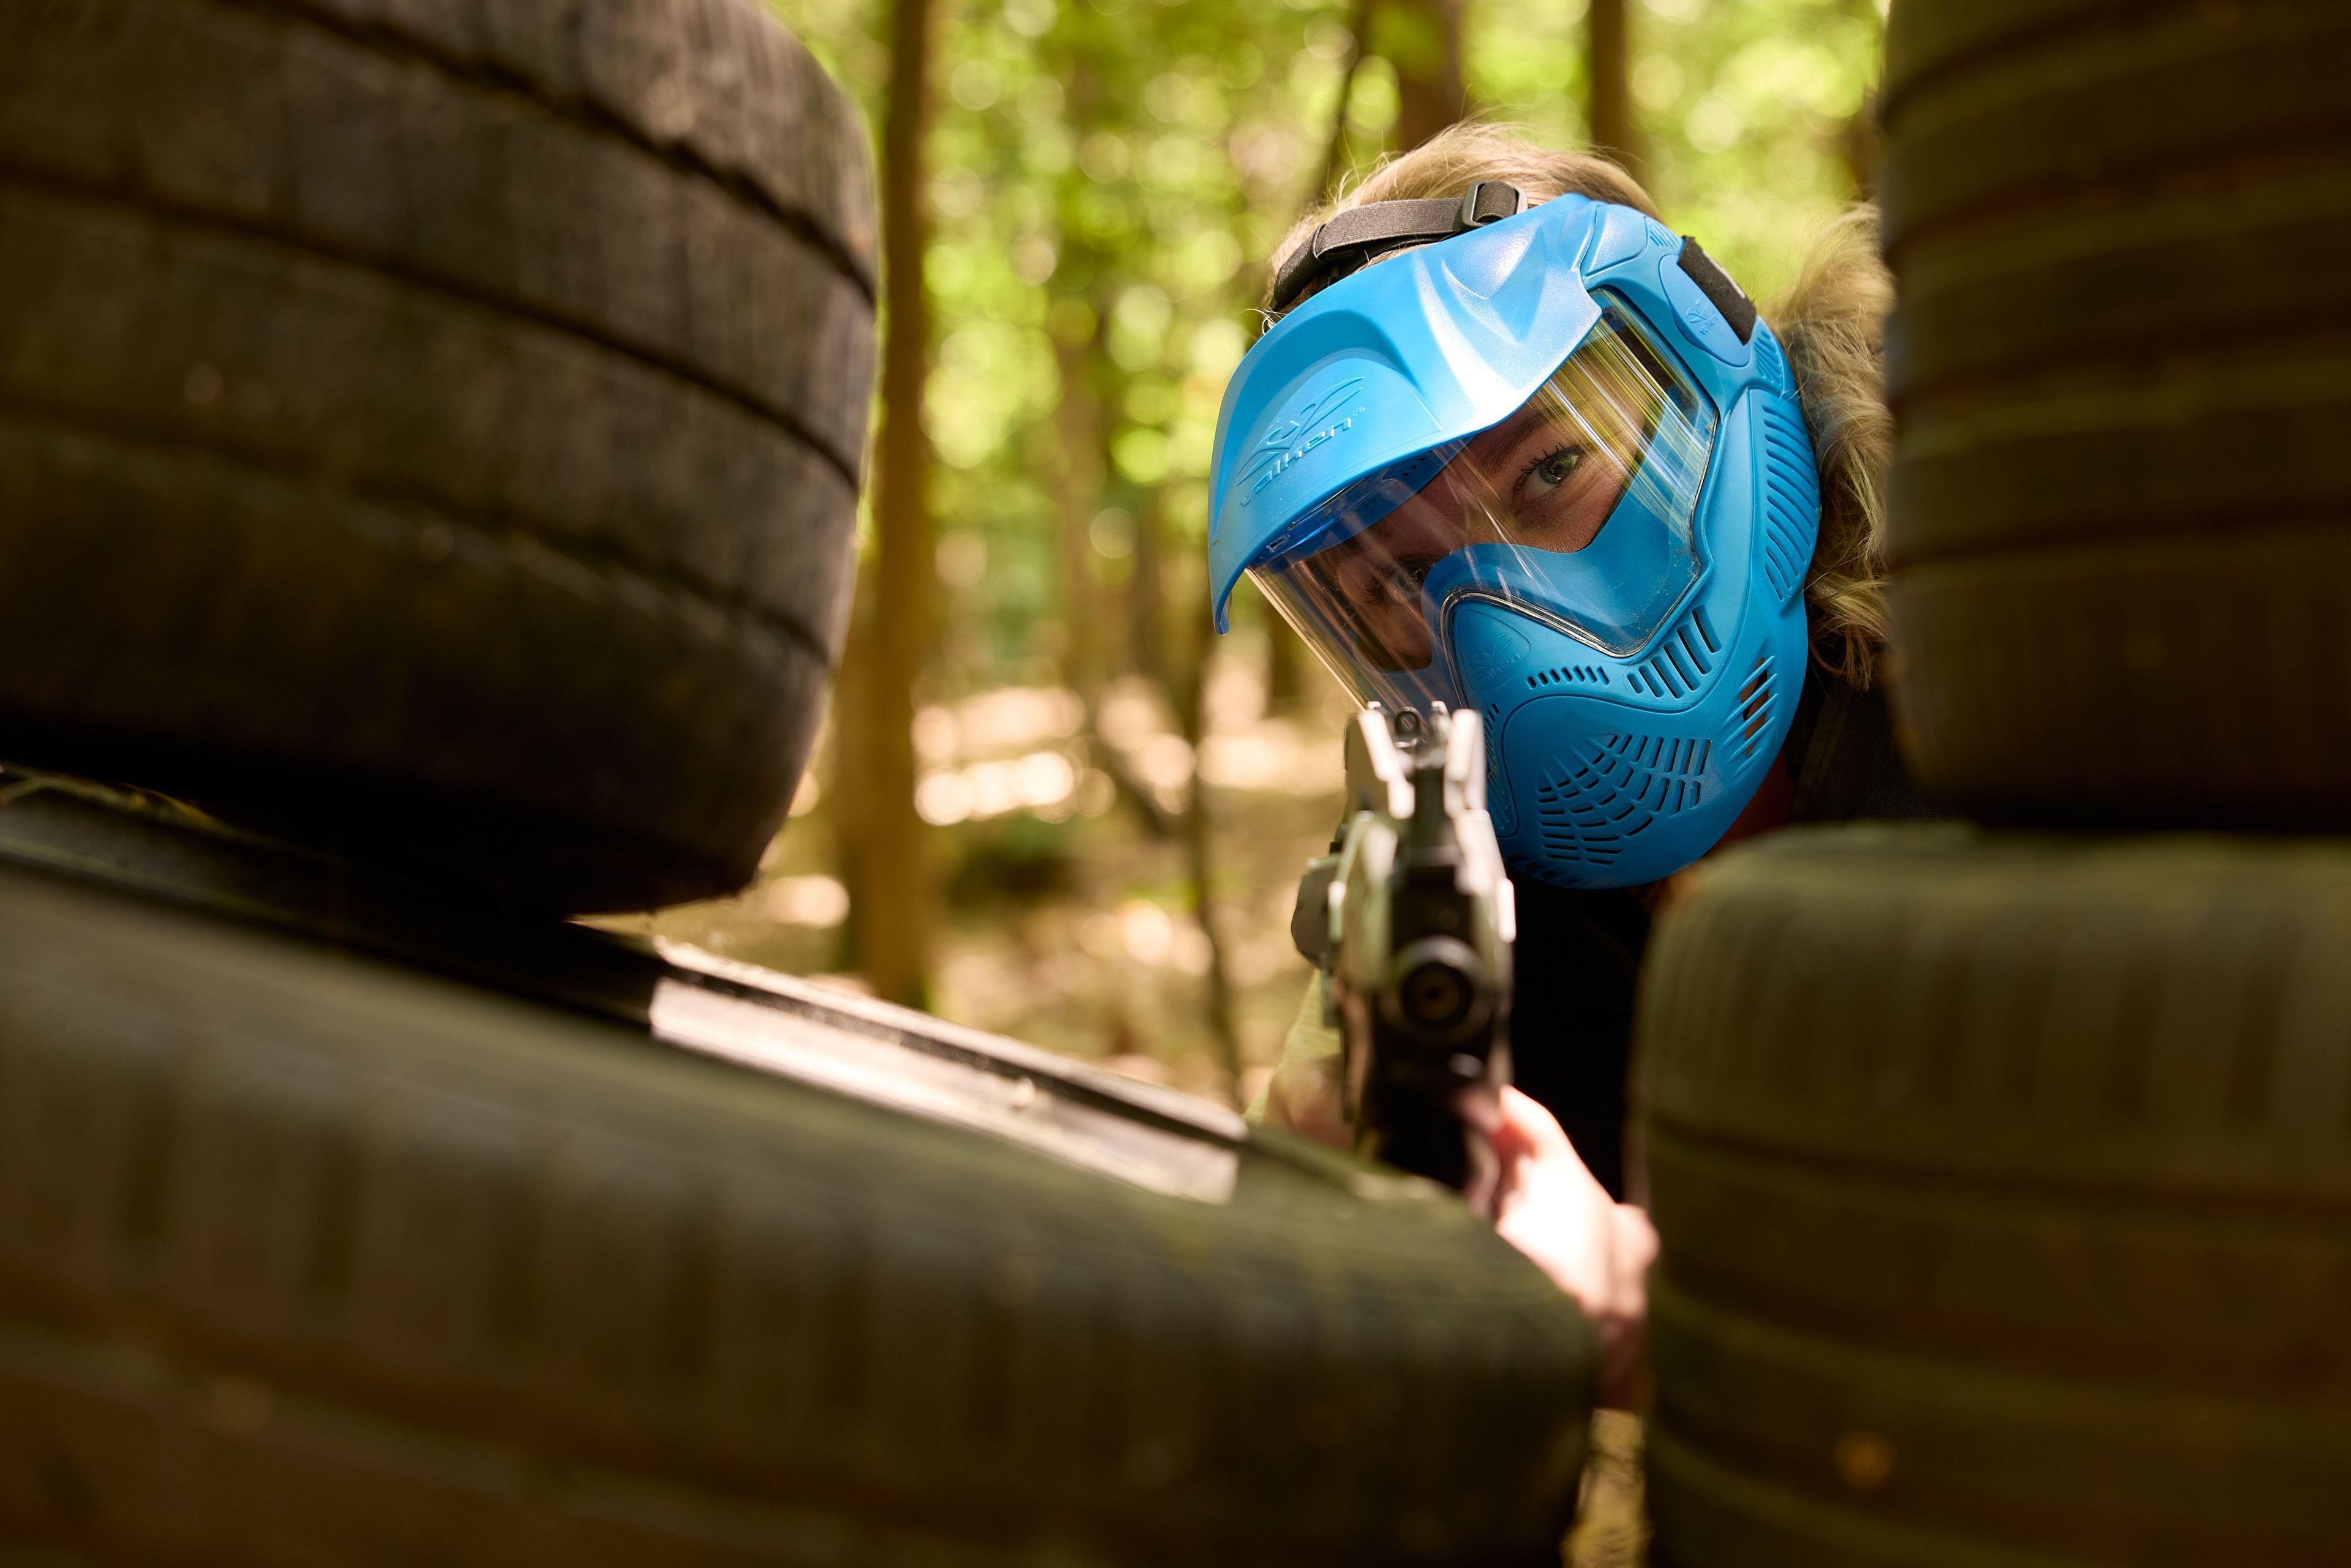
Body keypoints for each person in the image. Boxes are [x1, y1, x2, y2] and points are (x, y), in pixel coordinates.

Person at [1205, 126, 1933, 1405]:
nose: (1491, 622)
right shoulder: (1455, 919)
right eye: (1389, 580)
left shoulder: (1991, 707)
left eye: (1550, 471)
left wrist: (1660, 1317)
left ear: (1721, 397)